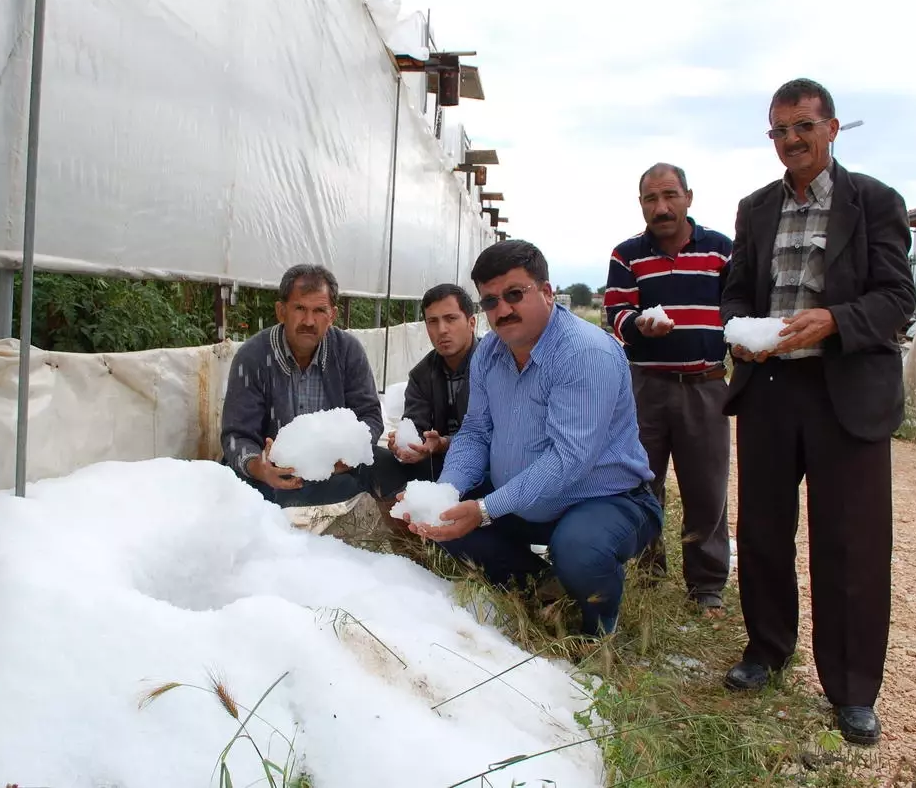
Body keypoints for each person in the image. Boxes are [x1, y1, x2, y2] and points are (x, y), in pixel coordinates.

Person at [720, 78, 916, 746]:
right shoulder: (755, 209)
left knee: (851, 546)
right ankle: (766, 650)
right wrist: (740, 334)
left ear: (831, 128)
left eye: (803, 126)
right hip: (771, 388)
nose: (792, 140)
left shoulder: (876, 203)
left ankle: (853, 688)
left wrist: (834, 319)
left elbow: (897, 297)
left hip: (846, 392)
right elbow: (736, 292)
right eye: (779, 130)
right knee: (766, 534)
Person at [405, 239, 662, 637]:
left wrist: (487, 508)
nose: (502, 310)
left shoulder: (584, 353)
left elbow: (570, 459)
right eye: (490, 301)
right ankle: (540, 583)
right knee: (445, 527)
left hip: (603, 499)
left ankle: (597, 632)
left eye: (514, 294)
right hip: (525, 501)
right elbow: (475, 432)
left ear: (545, 292)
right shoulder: (490, 353)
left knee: (579, 549)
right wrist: (446, 494)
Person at [604, 163, 734, 615]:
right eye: (650, 199)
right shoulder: (627, 255)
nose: (661, 207)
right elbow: (615, 311)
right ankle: (646, 568)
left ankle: (707, 584)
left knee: (708, 488)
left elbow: (737, 308)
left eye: (670, 195)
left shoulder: (720, 251)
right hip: (647, 386)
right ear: (640, 204)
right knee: (641, 481)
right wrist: (637, 324)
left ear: (689, 197)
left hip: (706, 384)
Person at [220, 264, 404, 509]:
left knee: (390, 468)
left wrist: (348, 455)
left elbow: (370, 415)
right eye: (300, 309)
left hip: (335, 470)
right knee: (234, 484)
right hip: (276, 474)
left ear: (332, 315)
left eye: (319, 310)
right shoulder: (253, 357)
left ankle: (404, 544)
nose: (309, 321)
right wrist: (260, 467)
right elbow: (236, 435)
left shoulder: (347, 351)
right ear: (281, 311)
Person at [386, 283, 481, 481]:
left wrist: (445, 443)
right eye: (432, 322)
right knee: (381, 463)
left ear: (471, 323)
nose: (442, 330)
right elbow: (415, 424)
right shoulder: (421, 375)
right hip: (439, 464)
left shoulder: (494, 365)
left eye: (451, 319)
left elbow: (496, 436)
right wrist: (408, 443)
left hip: (488, 464)